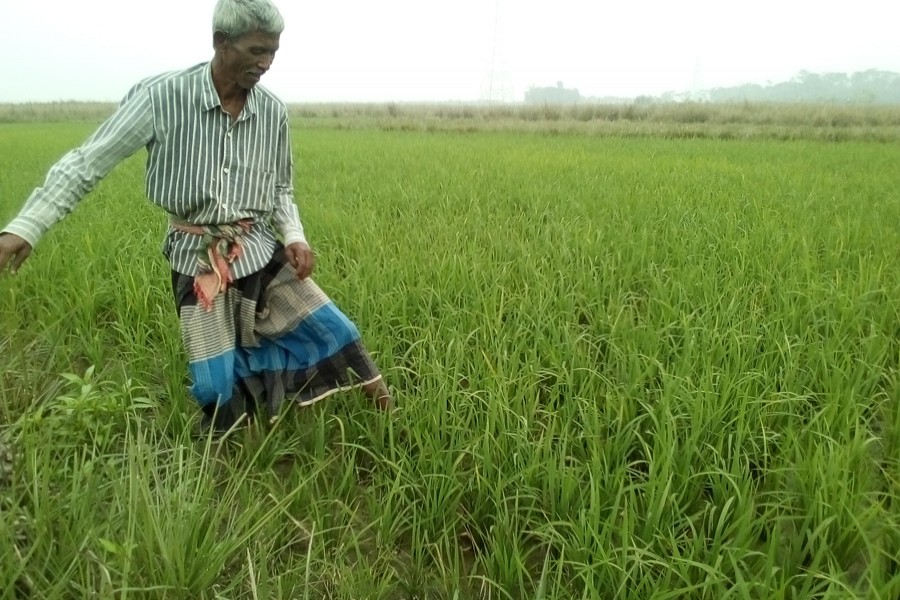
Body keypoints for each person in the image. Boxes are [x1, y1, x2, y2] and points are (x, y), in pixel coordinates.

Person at [0, 0, 392, 432]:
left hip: (259, 249)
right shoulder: (162, 99)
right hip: (197, 260)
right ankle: (228, 462)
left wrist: (295, 236)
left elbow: (281, 187)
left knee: (333, 328)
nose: (266, 63)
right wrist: (27, 225)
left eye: (274, 52)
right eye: (257, 51)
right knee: (214, 383)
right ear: (221, 42)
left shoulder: (273, 112)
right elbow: (87, 162)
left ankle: (392, 424)